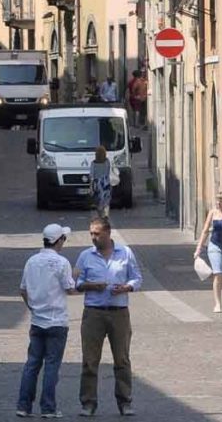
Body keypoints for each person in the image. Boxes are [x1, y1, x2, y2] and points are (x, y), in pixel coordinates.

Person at [75, 217, 142, 417]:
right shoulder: (85, 256)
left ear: (108, 233)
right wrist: (90, 286)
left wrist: (127, 287)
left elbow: (137, 277)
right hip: (93, 312)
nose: (93, 238)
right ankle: (88, 403)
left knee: (122, 359)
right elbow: (75, 282)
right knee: (90, 360)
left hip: (119, 312)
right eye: (91, 234)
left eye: (97, 234)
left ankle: (125, 402)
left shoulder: (125, 253)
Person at [16, 224, 78, 418]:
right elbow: (69, 289)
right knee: (52, 365)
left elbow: (23, 290)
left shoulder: (32, 261)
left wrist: (33, 308)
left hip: (37, 320)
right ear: (58, 240)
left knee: (32, 364)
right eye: (64, 239)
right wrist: (78, 278)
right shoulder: (61, 263)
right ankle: (48, 408)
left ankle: (23, 406)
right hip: (57, 320)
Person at [194, 191, 222, 312]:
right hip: (214, 246)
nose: (217, 204)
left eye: (219, 201)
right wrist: (199, 248)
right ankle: (217, 304)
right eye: (216, 201)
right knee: (217, 274)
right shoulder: (213, 213)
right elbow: (205, 231)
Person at [89, 146, 113, 218]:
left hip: (97, 184)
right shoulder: (107, 161)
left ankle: (100, 216)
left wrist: (91, 187)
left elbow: (91, 175)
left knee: (98, 200)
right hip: (106, 183)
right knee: (106, 200)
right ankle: (106, 214)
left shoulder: (93, 163)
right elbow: (109, 171)